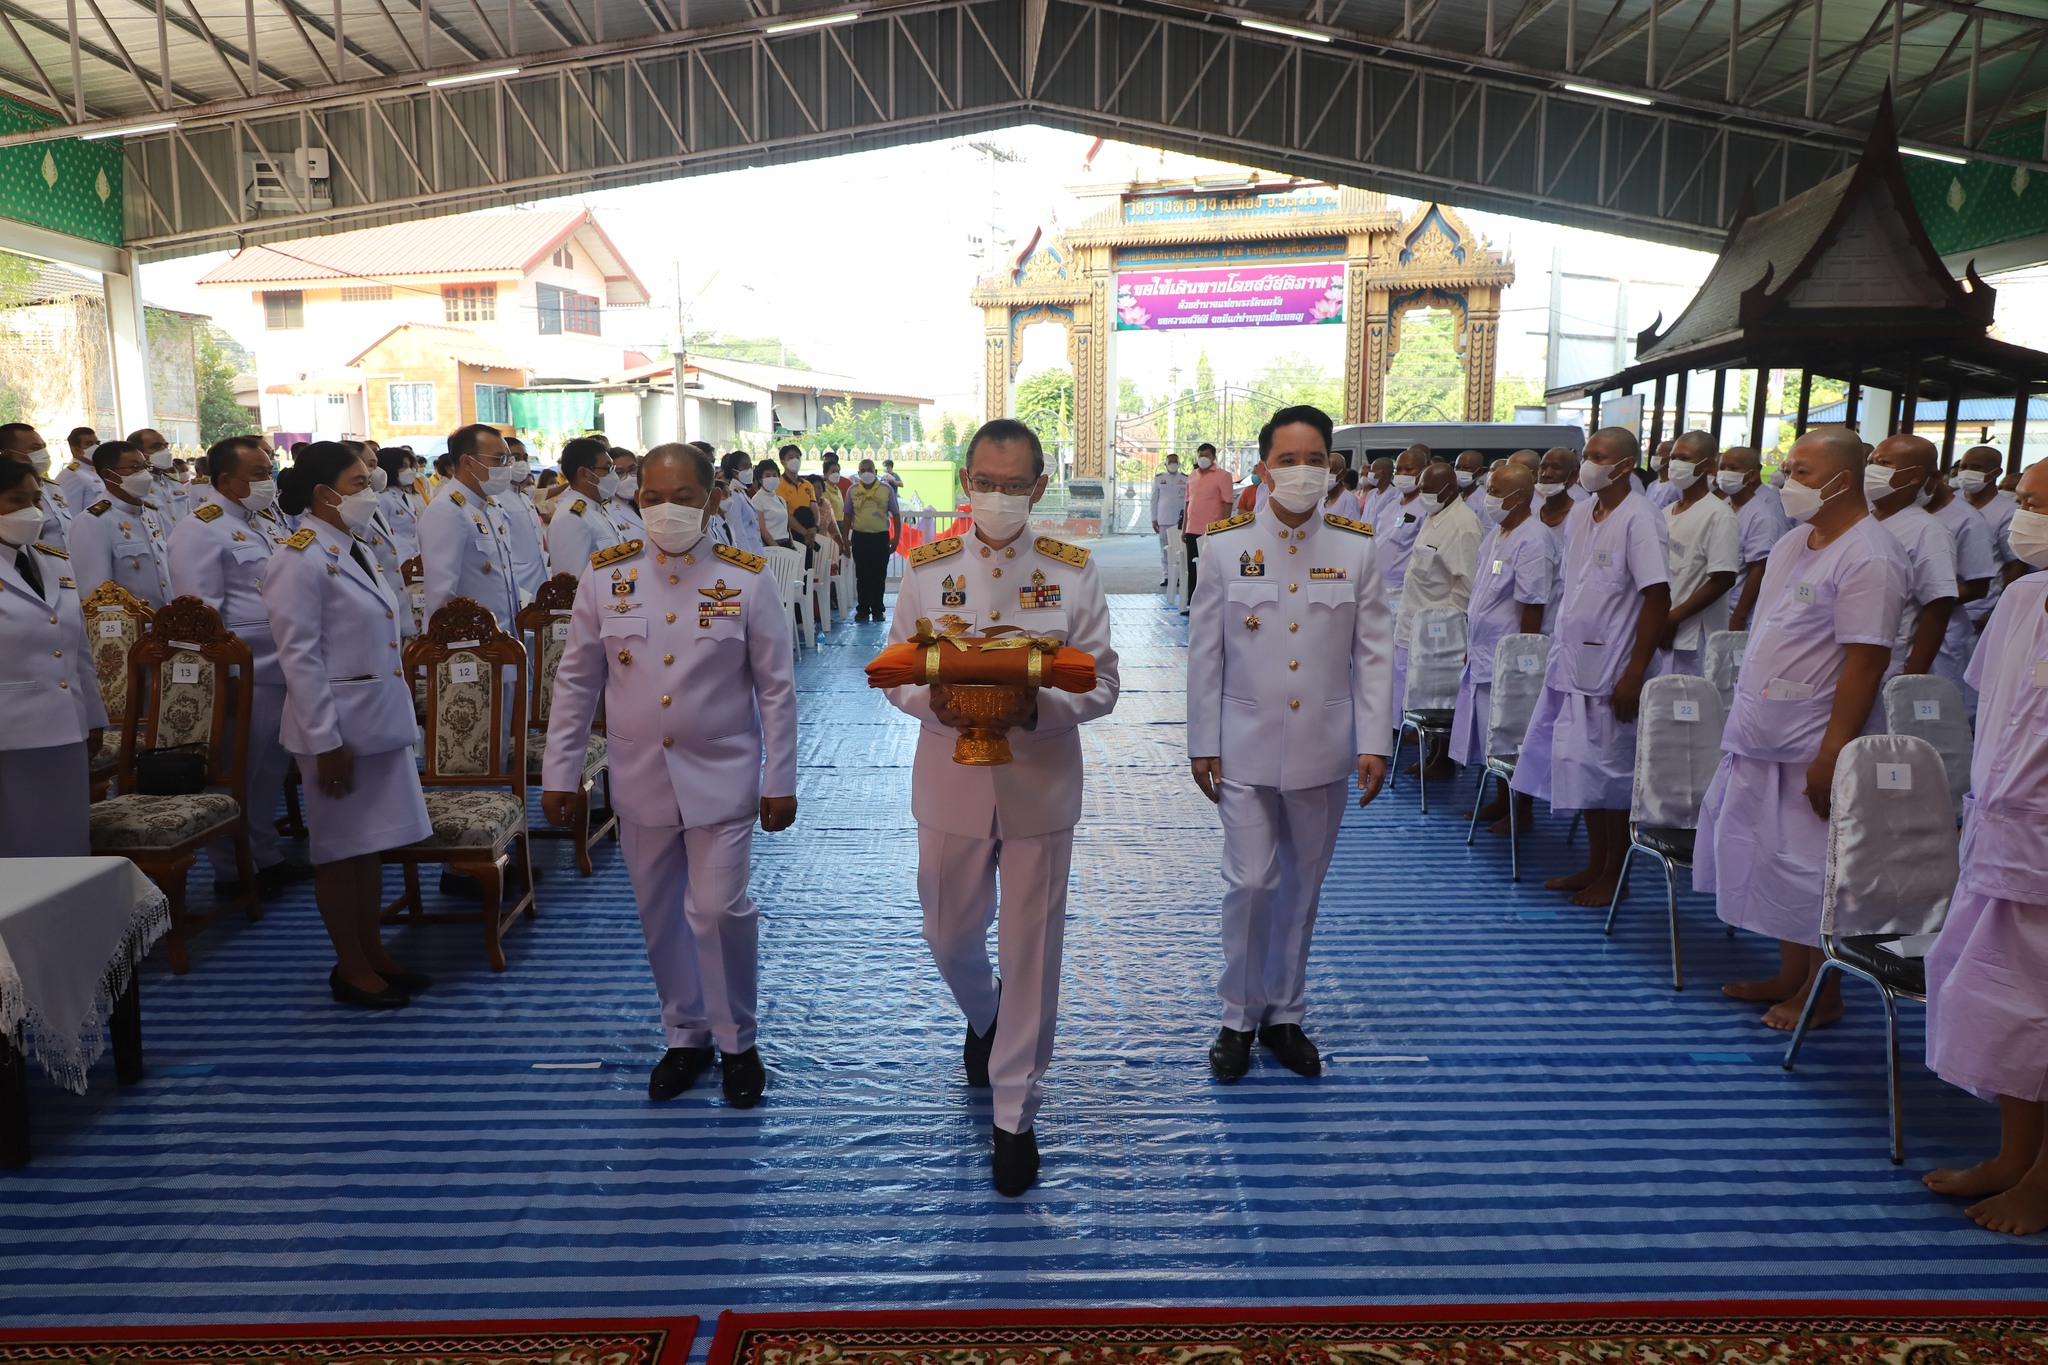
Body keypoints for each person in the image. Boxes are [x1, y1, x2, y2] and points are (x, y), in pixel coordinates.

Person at [883, 418, 1120, 1197]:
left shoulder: (1073, 573)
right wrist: (936, 701)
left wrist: (1033, 711)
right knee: (946, 932)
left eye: (1015, 484)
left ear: (1040, 488)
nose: (998, 496)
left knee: (1032, 952)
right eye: (985, 480)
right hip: (950, 777)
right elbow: (897, 668)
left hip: (1039, 783)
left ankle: (1015, 1114)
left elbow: (1104, 683)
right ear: (964, 480)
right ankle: (983, 1018)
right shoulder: (927, 567)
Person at [542, 444, 797, 1108]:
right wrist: (561, 772)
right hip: (640, 777)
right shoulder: (607, 576)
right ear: (636, 501)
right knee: (660, 916)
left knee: (717, 909)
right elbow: (575, 683)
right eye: (652, 498)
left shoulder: (745, 577)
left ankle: (738, 1040)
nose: (666, 510)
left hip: (724, 776)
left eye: (683, 497)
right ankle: (686, 1035)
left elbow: (776, 688)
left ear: (710, 499)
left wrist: (782, 777)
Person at [1187, 405, 1391, 1084]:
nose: (1301, 471)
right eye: (1287, 459)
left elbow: (1375, 653)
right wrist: (1201, 741)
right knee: (1250, 882)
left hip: (1324, 746)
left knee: (1301, 888)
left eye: (1314, 459)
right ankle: (1236, 1017)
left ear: (1332, 465)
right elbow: (1205, 654)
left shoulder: (1357, 547)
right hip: (1242, 744)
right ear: (1263, 465)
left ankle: (1284, 1015)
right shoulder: (1224, 545)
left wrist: (1375, 740)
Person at [1695, 425, 1906, 1030]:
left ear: (1845, 480)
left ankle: (1822, 991)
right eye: (1788, 469)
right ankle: (1791, 972)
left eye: (1804, 472)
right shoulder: (1794, 543)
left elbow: (1866, 660)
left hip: (1814, 737)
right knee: (1769, 860)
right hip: (1763, 728)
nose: (1788, 482)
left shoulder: (1872, 554)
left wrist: (1832, 751)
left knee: (1810, 866)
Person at [1921, 458, 2048, 1235]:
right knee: (2003, 1004)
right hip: (2006, 831)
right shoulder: (2025, 597)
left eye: (2039, 504)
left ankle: (2042, 1182)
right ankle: (2013, 1154)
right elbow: (1996, 713)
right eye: (2026, 501)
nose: (2024, 516)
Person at [264, 442, 434, 1009]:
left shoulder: (350, 547)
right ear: (323, 494)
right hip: (336, 734)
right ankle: (350, 966)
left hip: (378, 724)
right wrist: (324, 743)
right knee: (340, 854)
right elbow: (300, 658)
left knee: (370, 849)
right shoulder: (298, 558)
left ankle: (374, 953)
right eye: (359, 483)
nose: (372, 491)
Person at [1510, 427, 1671, 907]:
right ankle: (1594, 864)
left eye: (1598, 457)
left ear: (1624, 466)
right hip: (1574, 663)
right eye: (1588, 455)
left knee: (1612, 777)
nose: (1588, 465)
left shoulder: (1640, 518)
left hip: (1615, 668)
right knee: (1583, 771)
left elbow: (1657, 597)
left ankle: (1614, 877)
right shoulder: (1583, 512)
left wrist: (1633, 672)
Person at [167, 435, 310, 897]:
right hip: (242, 671)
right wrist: (220, 682)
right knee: (238, 769)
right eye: (258, 474)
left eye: (269, 471)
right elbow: (199, 617)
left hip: (276, 663)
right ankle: (234, 868)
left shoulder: (257, 521)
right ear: (225, 480)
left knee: (268, 767)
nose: (268, 482)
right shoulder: (199, 529)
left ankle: (262, 853)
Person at [0, 460, 103, 857]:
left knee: (66, 839)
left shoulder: (53, 560)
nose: (31, 510)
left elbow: (78, 651)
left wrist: (93, 718)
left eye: (35, 499)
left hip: (65, 725)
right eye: (16, 500)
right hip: (11, 732)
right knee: (18, 847)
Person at [1451, 461, 1558, 834]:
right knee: (1492, 731)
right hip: (1484, 651)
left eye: (1496, 492)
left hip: (1513, 657)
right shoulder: (1497, 533)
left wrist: (1522, 663)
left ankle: (1521, 810)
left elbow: (1533, 603)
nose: (1489, 498)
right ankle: (1500, 798)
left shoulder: (1534, 538)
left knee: (1515, 733)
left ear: (1519, 498)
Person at [1393, 460, 1484, 770]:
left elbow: (1467, 584)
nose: (1422, 495)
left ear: (1448, 489)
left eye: (1428, 490)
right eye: (1421, 488)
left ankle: (1441, 760)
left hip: (1442, 629)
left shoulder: (1463, 524)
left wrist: (1453, 629)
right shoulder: (1436, 515)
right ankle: (1430, 753)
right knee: (1423, 694)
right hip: (1417, 622)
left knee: (1441, 696)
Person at [1865, 433, 1958, 682]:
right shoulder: (1862, 519)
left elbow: (1938, 607)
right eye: (1871, 462)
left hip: (1890, 666)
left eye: (1884, 464)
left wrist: (1912, 675)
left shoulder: (1929, 531)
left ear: (1914, 475)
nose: (1872, 470)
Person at [416, 423, 522, 629]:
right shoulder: (447, 510)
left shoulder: (490, 505)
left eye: (508, 460)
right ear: (468, 462)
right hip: (471, 646)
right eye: (499, 459)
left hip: (502, 638)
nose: (506, 467)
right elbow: (441, 596)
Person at [1656, 434, 1741, 676]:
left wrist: (1675, 618)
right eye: (1673, 458)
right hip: (1662, 627)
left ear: (1707, 465)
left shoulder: (1718, 515)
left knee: (1687, 704)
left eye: (1684, 458)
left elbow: (1723, 577)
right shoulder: (1665, 513)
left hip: (1694, 636)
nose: (1675, 464)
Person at [70, 440, 173, 609]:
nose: (144, 474)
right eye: (134, 468)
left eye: (144, 467)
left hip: (164, 623)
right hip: (130, 629)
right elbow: (95, 595)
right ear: (108, 474)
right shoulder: (92, 521)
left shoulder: (151, 512)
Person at [1924, 468, 1996, 685]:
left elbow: (1978, 585)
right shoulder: (1901, 512)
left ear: (1935, 476)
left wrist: (1917, 601)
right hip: (1906, 629)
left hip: (1946, 628)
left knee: (1937, 705)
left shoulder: (1969, 520)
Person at [1716, 446, 1791, 632]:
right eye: (1722, 468)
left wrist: (1740, 615)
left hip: (1740, 611)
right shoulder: (1722, 507)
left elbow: (1759, 569)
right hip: (1716, 606)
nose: (1725, 473)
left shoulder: (1764, 516)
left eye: (1733, 469)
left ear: (1751, 475)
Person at [1955, 444, 2022, 631]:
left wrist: (1999, 609)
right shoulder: (1952, 502)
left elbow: (2016, 565)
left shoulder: (2007, 512)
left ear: (1995, 473)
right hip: (1947, 602)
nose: (1967, 472)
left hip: (1981, 607)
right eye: (1963, 467)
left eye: (1976, 468)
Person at [547, 437, 637, 572]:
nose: (613, 475)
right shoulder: (571, 518)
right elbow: (573, 582)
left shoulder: (596, 508)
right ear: (584, 474)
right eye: (608, 468)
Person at [0, 423, 78, 553]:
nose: (43, 453)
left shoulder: (53, 488)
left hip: (60, 567)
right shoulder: (4, 491)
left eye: (43, 447)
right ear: (8, 453)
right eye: (35, 448)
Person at [1376, 445, 1431, 619]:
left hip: (1402, 592)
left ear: (1423, 471)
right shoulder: (1391, 506)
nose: (1402, 474)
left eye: (1409, 469)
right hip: (1378, 586)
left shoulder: (1426, 508)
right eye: (1398, 469)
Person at [845, 457, 900, 623]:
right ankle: (862, 610)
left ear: (875, 472)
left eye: (869, 469)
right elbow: (847, 515)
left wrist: (896, 538)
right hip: (860, 537)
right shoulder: (852, 490)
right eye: (863, 470)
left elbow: (896, 515)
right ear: (859, 472)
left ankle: (878, 610)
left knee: (878, 575)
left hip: (880, 537)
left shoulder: (886, 489)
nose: (866, 472)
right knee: (862, 576)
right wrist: (844, 539)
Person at [1181, 442, 1235, 608]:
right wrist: (1184, 528)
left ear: (1214, 457)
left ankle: (1210, 604)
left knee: (1210, 570)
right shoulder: (1192, 475)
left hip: (1212, 531)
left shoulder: (1223, 476)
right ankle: (1192, 603)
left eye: (1206, 455)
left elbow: (1228, 502)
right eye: (1200, 455)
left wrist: (1223, 529)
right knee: (1192, 566)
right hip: (1192, 529)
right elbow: (1187, 503)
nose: (1203, 458)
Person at [499, 437, 550, 604]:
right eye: (516, 457)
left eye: (525, 458)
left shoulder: (523, 495)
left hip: (539, 580)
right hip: (517, 585)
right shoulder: (496, 497)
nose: (522, 463)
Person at [129, 428, 192, 525]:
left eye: (165, 446)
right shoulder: (133, 487)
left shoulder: (175, 484)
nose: (164, 451)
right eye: (156, 447)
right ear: (137, 453)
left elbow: (189, 521)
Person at [376, 447, 423, 560]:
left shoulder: (406, 495)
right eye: (404, 467)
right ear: (390, 468)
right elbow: (381, 536)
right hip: (394, 559)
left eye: (411, 467)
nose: (411, 471)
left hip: (412, 557)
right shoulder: (382, 497)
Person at [1151, 454, 1188, 587]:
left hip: (1180, 520)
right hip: (1163, 519)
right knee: (1165, 549)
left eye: (1175, 462)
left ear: (1179, 463)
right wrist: (1153, 519)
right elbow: (1154, 500)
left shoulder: (1185, 479)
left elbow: (1187, 500)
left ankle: (1178, 576)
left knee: (1180, 549)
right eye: (1170, 462)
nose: (1173, 464)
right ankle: (1166, 576)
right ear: (1165, 464)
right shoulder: (1159, 479)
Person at [55, 426, 101, 508]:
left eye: (97, 443)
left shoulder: (97, 471)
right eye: (89, 444)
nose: (96, 448)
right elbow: (71, 513)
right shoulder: (71, 475)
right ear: (75, 449)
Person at [1536, 448, 1579, 535]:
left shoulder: (1580, 515)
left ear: (1573, 475)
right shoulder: (1531, 512)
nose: (1546, 474)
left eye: (1556, 468)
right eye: (1543, 467)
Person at [750, 459, 792, 548]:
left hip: (786, 543)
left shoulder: (781, 500)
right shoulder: (757, 499)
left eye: (774, 475)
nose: (772, 478)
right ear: (760, 479)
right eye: (767, 475)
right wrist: (777, 548)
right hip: (771, 546)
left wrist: (792, 545)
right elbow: (761, 529)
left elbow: (786, 527)